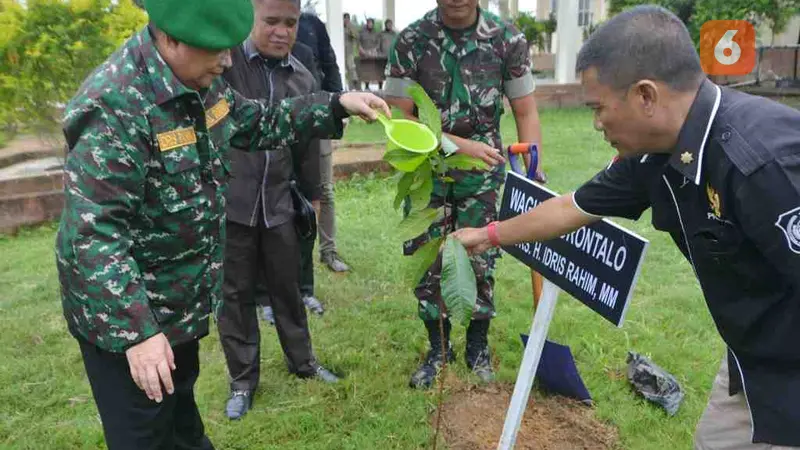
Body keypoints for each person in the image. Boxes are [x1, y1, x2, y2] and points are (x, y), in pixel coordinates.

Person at [453, 5, 800, 449]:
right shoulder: (652, 158)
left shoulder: (762, 162)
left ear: (646, 96)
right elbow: (569, 209)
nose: (596, 124)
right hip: (748, 364)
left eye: (599, 108)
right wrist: (489, 235)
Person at [54, 0, 390, 446]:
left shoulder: (199, 81)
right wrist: (138, 333)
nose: (228, 60)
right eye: (216, 49)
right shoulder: (115, 105)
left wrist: (337, 103)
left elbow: (255, 121)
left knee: (180, 424)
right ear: (169, 38)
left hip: (176, 305)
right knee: (145, 435)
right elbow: (94, 234)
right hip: (130, 323)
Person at [384, 0, 543, 389]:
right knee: (428, 257)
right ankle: (438, 349)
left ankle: (477, 347)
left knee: (481, 258)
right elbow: (399, 115)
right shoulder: (411, 40)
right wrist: (457, 146)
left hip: (483, 175)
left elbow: (525, 110)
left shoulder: (507, 39)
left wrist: (534, 168)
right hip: (426, 173)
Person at [219, 0, 340, 421]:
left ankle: (304, 362)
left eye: (290, 23)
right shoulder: (226, 64)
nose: (281, 31)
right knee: (233, 295)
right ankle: (242, 381)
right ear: (252, 18)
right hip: (231, 205)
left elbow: (308, 151)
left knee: (288, 289)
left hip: (280, 205)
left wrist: (311, 199)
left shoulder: (304, 77)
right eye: (271, 21)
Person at [296, 11, 352, 275]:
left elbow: (330, 64)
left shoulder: (311, 23)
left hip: (316, 115)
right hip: (274, 119)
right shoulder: (258, 17)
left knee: (324, 189)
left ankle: (328, 251)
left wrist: (338, 106)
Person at [357, 18, 384, 90]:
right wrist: (362, 51)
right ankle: (366, 86)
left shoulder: (376, 33)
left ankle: (380, 86)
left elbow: (378, 44)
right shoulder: (362, 32)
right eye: (368, 23)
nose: (370, 24)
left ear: (373, 24)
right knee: (366, 70)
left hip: (374, 54)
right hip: (364, 54)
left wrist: (373, 50)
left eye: (371, 23)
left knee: (378, 70)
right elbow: (358, 43)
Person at [343, 13, 360, 91]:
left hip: (349, 51)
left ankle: (353, 86)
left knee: (351, 68)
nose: (346, 20)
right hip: (341, 52)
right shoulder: (340, 27)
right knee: (344, 69)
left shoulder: (351, 27)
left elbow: (356, 36)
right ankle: (345, 86)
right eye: (345, 18)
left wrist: (349, 27)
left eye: (347, 18)